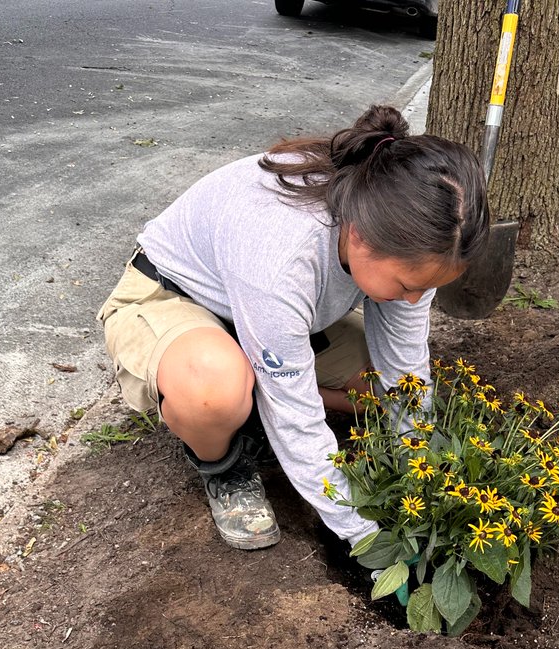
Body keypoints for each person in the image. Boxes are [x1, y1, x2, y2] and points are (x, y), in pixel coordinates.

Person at [97, 104, 489, 552]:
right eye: (407, 286)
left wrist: (422, 471)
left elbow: (405, 368)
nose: (416, 300)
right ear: (360, 235)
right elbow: (298, 417)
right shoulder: (283, 256)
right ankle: (224, 464)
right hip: (173, 297)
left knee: (379, 390)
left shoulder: (411, 237)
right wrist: (363, 536)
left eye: (428, 289)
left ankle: (257, 396)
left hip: (271, 317)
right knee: (214, 388)